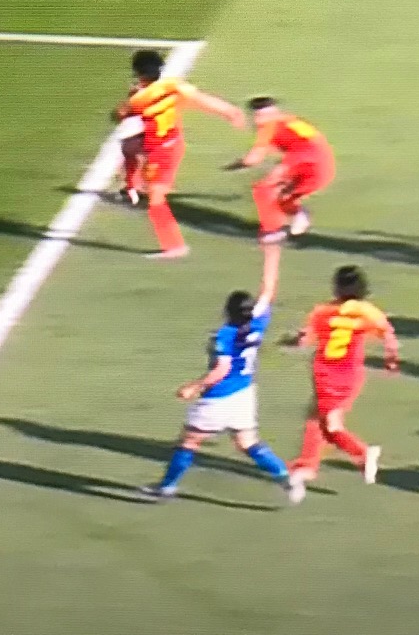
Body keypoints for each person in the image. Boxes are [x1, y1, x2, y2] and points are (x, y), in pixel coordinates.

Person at [145, 243, 301, 503]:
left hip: (219, 397)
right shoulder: (258, 321)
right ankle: (285, 477)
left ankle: (167, 487)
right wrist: (273, 257)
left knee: (189, 442)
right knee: (248, 443)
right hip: (244, 393)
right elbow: (268, 290)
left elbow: (222, 369)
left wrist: (194, 387)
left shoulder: (225, 335)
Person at [113, 49, 245, 259]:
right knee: (150, 183)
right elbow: (202, 99)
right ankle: (139, 187)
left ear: (138, 72)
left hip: (159, 151)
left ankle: (174, 246)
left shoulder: (138, 98)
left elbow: (118, 115)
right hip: (172, 144)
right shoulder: (173, 85)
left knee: (156, 199)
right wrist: (229, 111)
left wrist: (130, 98)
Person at [286, 264, 398, 491]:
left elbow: (304, 339)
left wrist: (290, 340)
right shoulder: (367, 311)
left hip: (327, 373)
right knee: (315, 416)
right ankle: (307, 464)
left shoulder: (322, 311)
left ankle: (362, 453)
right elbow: (388, 335)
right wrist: (391, 360)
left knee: (331, 425)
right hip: (349, 374)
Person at [234, 96, 337, 241]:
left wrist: (239, 164)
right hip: (322, 165)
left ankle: (273, 230)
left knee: (263, 189)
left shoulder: (267, 127)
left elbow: (253, 159)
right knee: (283, 195)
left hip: (303, 160)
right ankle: (298, 214)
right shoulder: (291, 120)